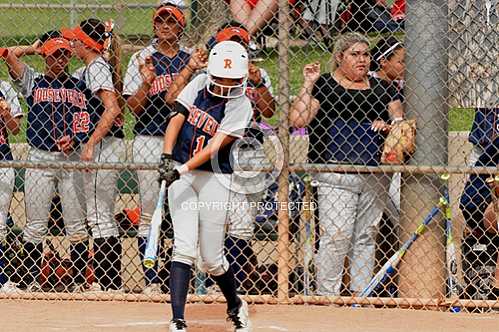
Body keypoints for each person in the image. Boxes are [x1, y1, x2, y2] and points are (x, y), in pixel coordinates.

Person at [289, 32, 404, 296]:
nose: (362, 60)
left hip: (374, 173)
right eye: (354, 54)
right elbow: (298, 120)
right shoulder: (326, 85)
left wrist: (389, 127)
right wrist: (308, 83)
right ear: (340, 57)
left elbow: (400, 123)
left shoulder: (384, 89)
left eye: (365, 54)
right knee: (336, 236)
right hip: (333, 172)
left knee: (365, 236)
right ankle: (326, 295)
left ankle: (360, 295)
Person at [159, 40, 252, 331]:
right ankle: (177, 320)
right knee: (183, 247)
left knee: (211, 259)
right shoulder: (199, 82)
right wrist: (166, 157)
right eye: (221, 77)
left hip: (215, 177)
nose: (226, 83)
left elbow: (214, 148)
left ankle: (235, 304)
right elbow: (177, 118)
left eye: (232, 78)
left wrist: (181, 168)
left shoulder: (241, 104)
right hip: (180, 173)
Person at [123, 3, 207, 295]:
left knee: (183, 208)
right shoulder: (142, 58)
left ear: (181, 26)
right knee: (149, 211)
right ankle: (151, 280)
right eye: (160, 21)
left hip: (185, 142)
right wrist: (146, 83)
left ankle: (180, 274)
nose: (165, 26)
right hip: (148, 138)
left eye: (172, 21)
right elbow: (132, 107)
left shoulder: (192, 60)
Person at [1, 31, 91, 292]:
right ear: (45, 57)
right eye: (54, 55)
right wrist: (31, 48)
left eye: (64, 54)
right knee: (36, 223)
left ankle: (77, 280)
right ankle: (30, 280)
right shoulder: (33, 81)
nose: (60, 60)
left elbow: (85, 119)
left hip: (69, 157)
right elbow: (6, 54)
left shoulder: (78, 86)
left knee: (75, 222)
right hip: (39, 157)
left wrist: (74, 138)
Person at [204, 21, 275, 292]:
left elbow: (269, 111)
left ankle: (230, 279)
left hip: (249, 152)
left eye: (240, 42)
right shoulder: (208, 74)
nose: (236, 46)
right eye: (230, 42)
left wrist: (258, 84)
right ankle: (215, 281)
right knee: (216, 218)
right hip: (218, 152)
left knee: (244, 223)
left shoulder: (258, 74)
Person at [62, 18, 125, 292]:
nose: (72, 42)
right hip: (101, 144)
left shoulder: (97, 66)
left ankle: (108, 282)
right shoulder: (90, 67)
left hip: (105, 146)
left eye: (76, 39)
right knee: (98, 215)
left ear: (86, 43)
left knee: (100, 216)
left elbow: (112, 109)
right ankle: (106, 281)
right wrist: (78, 139)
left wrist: (89, 144)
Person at [0, 53, 23, 291]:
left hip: (2, 159)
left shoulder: (4, 88)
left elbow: (16, 130)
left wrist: (6, 114)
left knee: (0, 224)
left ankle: (1, 279)